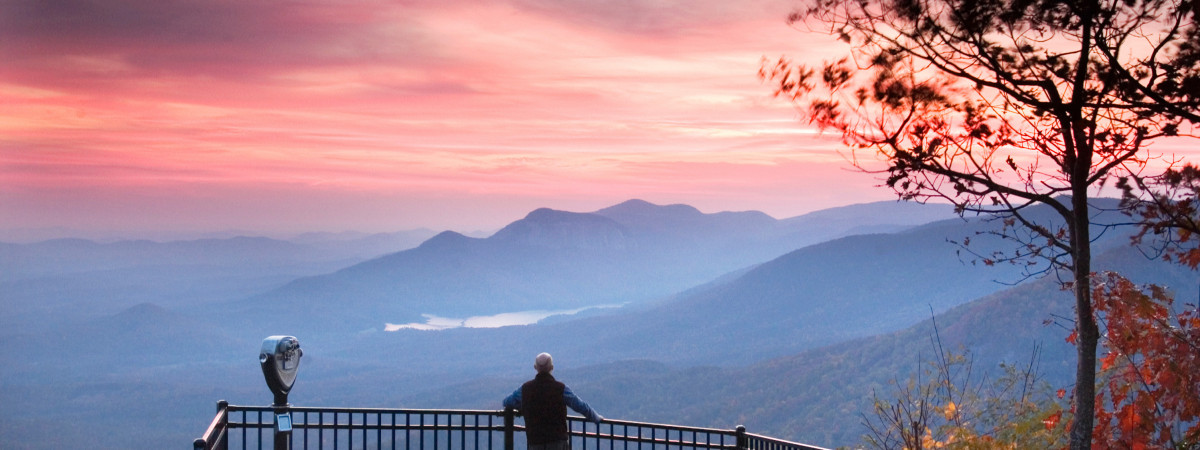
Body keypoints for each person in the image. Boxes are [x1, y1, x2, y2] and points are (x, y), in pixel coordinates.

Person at [503, 353, 602, 450]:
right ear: (552, 368)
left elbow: (507, 402)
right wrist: (596, 418)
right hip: (557, 442)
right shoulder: (561, 388)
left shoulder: (525, 389)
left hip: (535, 442)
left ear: (535, 367)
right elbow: (580, 406)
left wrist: (523, 406)